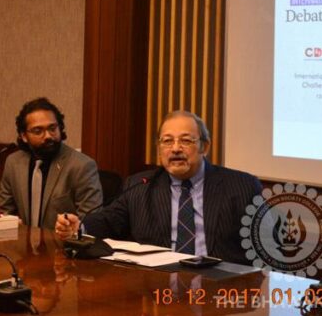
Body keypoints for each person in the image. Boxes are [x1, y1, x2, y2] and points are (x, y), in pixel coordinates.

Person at [55, 110, 262, 264]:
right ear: (159, 149)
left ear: (204, 147)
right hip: (159, 284)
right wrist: (79, 227)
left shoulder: (242, 186)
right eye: (167, 141)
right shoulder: (140, 186)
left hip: (222, 286)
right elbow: (109, 220)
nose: (176, 149)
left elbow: (269, 247)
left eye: (186, 141)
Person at [0, 97, 102, 229]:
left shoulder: (81, 166)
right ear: (24, 136)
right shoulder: (13, 163)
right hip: (24, 241)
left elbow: (91, 222)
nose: (48, 136)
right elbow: (4, 212)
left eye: (52, 128)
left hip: (63, 241)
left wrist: (73, 229)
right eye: (38, 131)